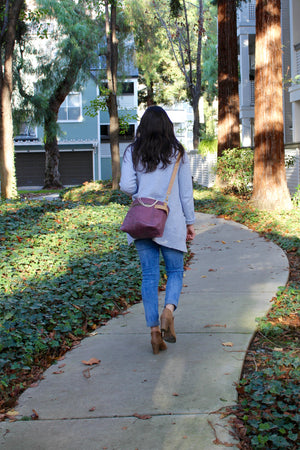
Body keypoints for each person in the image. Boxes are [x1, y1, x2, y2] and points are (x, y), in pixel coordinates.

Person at [119, 106, 195, 354]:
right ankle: (168, 311)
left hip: (141, 221)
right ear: (167, 127)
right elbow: (185, 193)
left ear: (143, 126)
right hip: (170, 222)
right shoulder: (177, 152)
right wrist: (190, 222)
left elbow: (127, 186)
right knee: (175, 271)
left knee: (149, 277)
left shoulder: (133, 151)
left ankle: (154, 332)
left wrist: (145, 191)